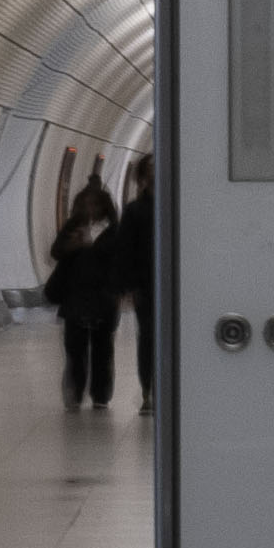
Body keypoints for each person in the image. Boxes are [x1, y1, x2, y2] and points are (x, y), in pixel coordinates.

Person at [47, 173, 124, 410]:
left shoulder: (114, 231)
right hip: (76, 295)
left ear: (104, 206)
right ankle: (75, 392)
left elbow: (121, 260)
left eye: (94, 204)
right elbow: (56, 252)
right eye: (85, 204)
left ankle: (101, 395)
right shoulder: (74, 226)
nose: (90, 208)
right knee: (75, 348)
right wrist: (74, 246)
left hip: (104, 296)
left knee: (102, 347)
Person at [114, 153, 155, 414]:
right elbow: (124, 251)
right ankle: (148, 391)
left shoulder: (181, 205)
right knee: (149, 338)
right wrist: (127, 287)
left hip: (177, 289)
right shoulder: (134, 211)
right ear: (141, 178)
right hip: (146, 286)